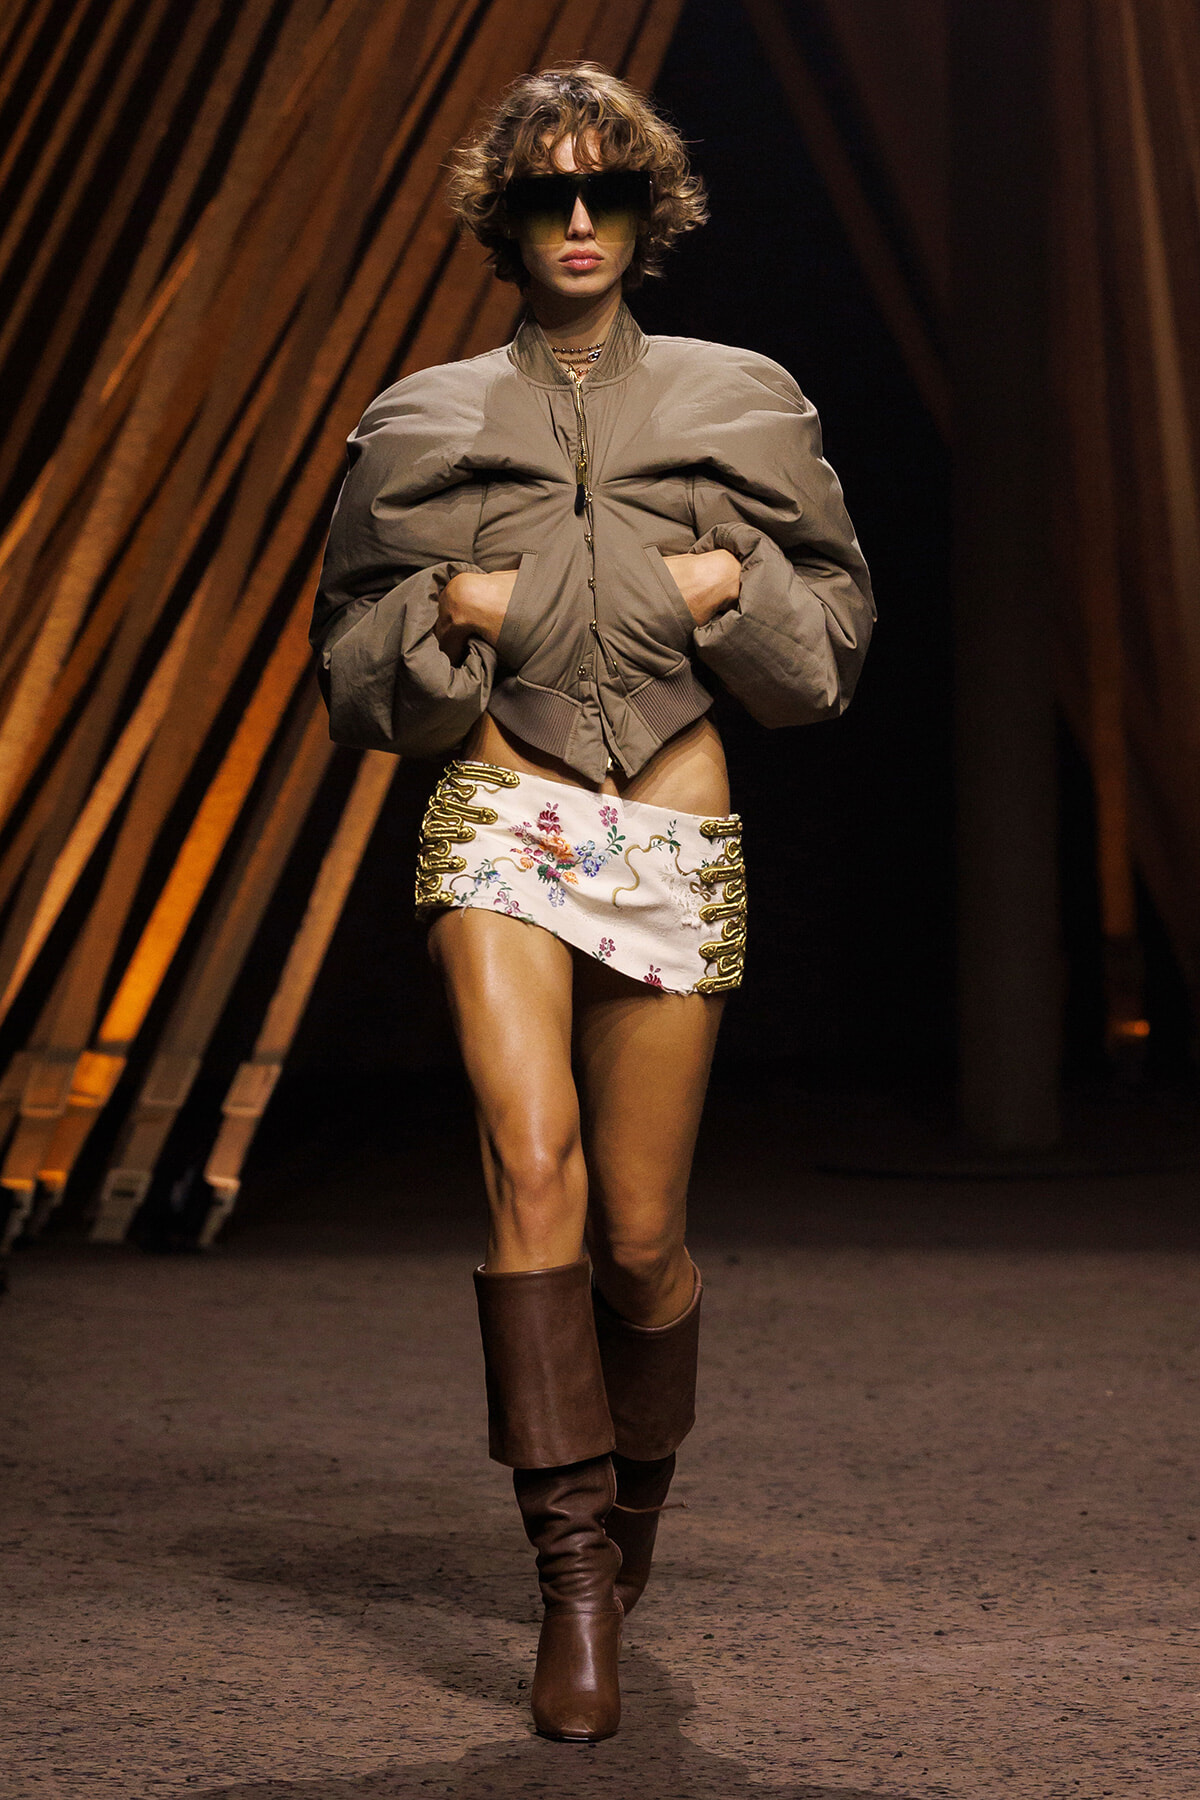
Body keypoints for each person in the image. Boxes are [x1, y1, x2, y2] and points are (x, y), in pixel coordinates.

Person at [311, 62, 874, 1744]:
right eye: (547, 192)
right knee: (529, 1160)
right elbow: (350, 670)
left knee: (638, 1241)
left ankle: (627, 1517)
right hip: (501, 809)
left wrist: (733, 583)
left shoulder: (745, 399)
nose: (576, 219)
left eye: (606, 190)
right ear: (503, 216)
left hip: (672, 832)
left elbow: (832, 647)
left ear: (647, 211)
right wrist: (453, 612)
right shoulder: (417, 420)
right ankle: (567, 1584)